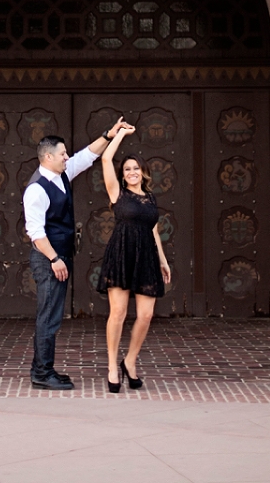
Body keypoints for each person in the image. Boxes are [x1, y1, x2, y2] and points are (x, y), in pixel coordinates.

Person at [23, 117, 133, 390]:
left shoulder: (60, 173)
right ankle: (42, 373)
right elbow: (36, 233)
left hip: (58, 257)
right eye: (62, 154)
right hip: (49, 259)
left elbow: (87, 156)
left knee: (52, 314)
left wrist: (109, 134)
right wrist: (54, 259)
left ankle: (43, 369)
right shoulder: (37, 189)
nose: (67, 157)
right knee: (48, 316)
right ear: (48, 157)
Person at [97, 124, 171, 392]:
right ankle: (112, 366)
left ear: (143, 172)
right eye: (127, 169)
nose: (131, 172)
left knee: (146, 315)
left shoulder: (150, 198)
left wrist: (162, 259)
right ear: (123, 174)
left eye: (136, 168)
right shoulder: (117, 193)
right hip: (122, 253)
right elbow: (106, 158)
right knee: (118, 313)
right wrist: (120, 134)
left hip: (147, 257)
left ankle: (129, 360)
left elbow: (153, 230)